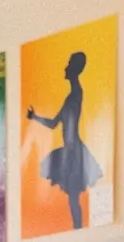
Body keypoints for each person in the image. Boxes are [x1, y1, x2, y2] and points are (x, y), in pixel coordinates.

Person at [27, 52, 103, 230]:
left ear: (75, 68)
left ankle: (78, 231)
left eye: (69, 64)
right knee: (72, 198)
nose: (65, 67)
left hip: (73, 151)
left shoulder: (76, 93)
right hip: (70, 149)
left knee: (73, 197)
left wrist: (68, 157)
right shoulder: (71, 95)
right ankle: (78, 231)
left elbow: (63, 126)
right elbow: (54, 123)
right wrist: (34, 117)